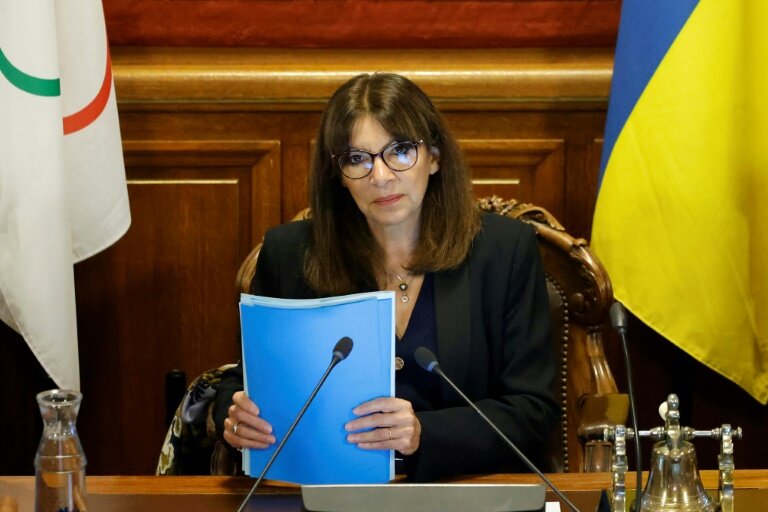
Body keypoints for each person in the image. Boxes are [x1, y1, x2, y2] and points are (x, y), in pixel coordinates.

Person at [213, 72, 559, 482]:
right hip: (330, 496)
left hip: (464, 492)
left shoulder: (504, 251)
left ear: (434, 157)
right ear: (338, 176)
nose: (380, 176)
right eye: (358, 159)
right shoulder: (291, 254)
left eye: (399, 151)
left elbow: (533, 411)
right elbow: (245, 378)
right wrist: (232, 416)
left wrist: (425, 434)